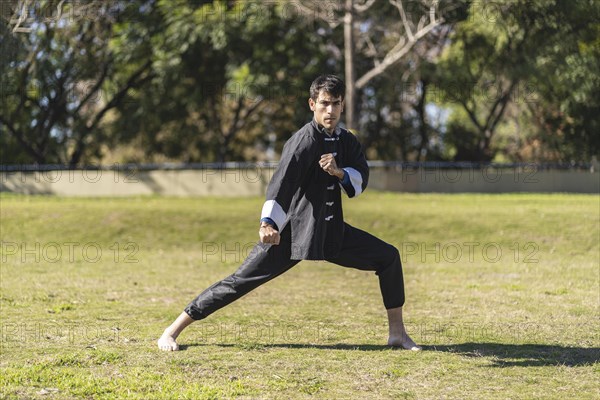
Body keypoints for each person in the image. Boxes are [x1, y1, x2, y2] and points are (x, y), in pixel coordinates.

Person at [158, 75, 420, 351]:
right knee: (240, 281)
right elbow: (282, 185)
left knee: (388, 257)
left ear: (343, 106)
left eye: (336, 104)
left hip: (332, 231)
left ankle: (397, 334)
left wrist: (339, 171)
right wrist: (267, 223)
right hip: (294, 233)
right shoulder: (303, 141)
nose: (329, 110)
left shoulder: (348, 142)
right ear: (312, 104)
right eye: (324, 103)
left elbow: (359, 180)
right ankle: (172, 331)